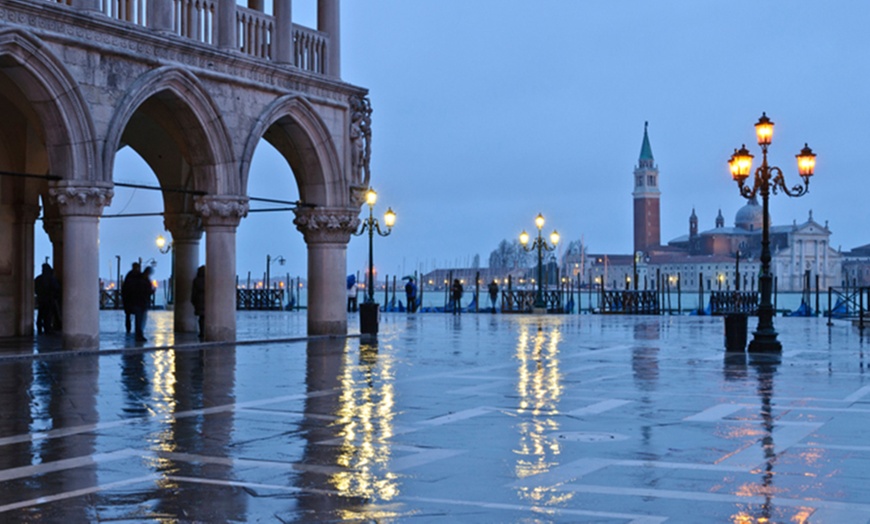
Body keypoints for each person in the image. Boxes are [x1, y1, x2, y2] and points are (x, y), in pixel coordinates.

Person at [129, 266, 154, 342]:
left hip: (139, 302)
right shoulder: (144, 281)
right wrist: (151, 292)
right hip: (141, 303)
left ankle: (139, 334)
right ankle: (139, 335)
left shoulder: (138, 279)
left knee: (139, 320)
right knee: (140, 320)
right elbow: (145, 291)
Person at [34, 263, 60, 334]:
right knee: (47, 316)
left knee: (42, 315)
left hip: (43, 300)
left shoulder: (38, 279)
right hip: (48, 300)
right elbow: (56, 288)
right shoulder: (51, 279)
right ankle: (46, 329)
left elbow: (35, 289)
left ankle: (41, 329)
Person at [121, 262, 141, 334]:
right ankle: (135, 330)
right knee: (136, 316)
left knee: (128, 316)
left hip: (129, 300)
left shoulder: (129, 275)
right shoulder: (138, 275)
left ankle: (129, 330)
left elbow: (124, 288)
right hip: (133, 300)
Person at [191, 265, 206, 339]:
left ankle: (202, 332)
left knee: (201, 318)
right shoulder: (208, 280)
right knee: (205, 317)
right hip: (206, 300)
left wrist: (193, 301)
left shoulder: (196, 280)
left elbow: (193, 293)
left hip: (199, 301)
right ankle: (205, 331)